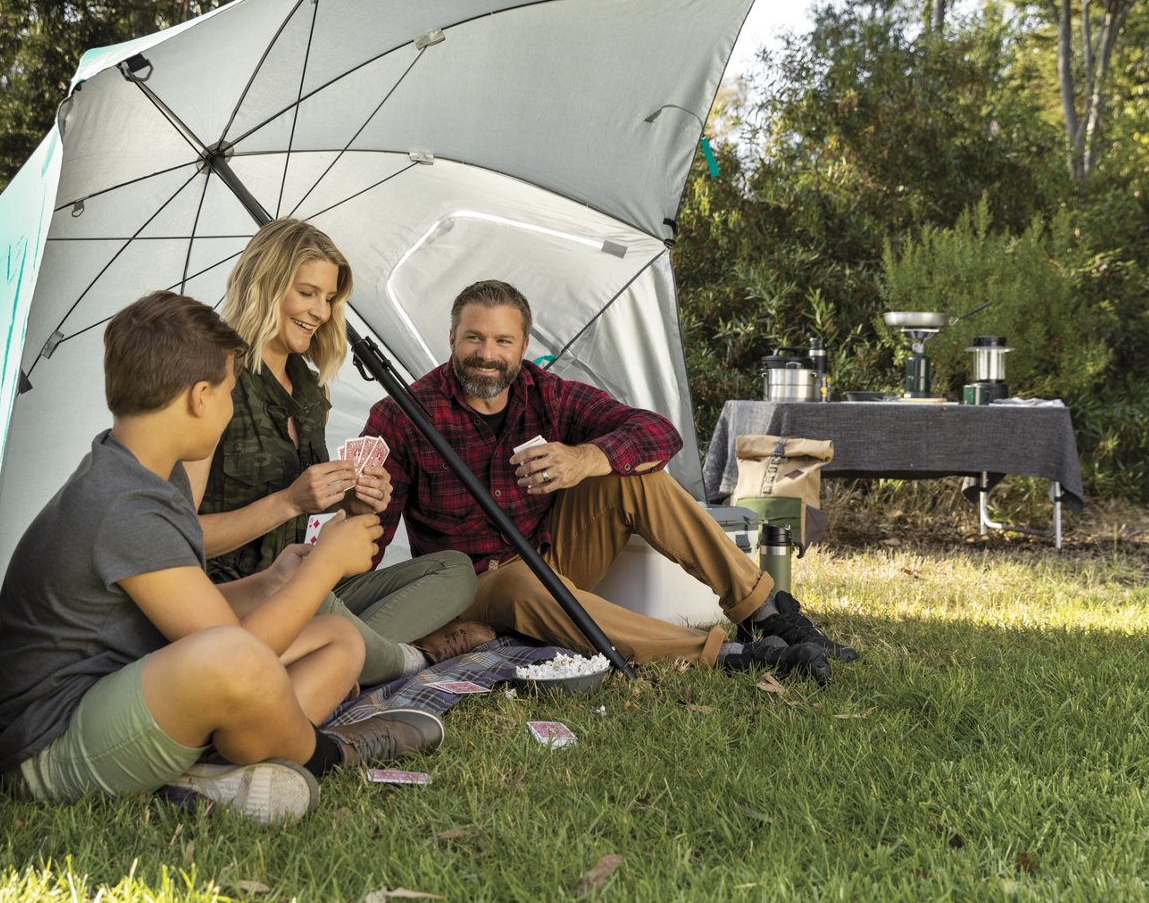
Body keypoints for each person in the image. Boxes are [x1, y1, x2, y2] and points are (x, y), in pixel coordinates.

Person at [0, 291, 444, 826]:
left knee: (338, 639)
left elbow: (188, 614)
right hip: (51, 749)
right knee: (235, 657)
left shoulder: (149, 473)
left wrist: (271, 581)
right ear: (200, 397)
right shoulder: (123, 503)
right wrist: (323, 568)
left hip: (127, 689)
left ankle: (208, 772)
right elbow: (234, 650)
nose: (230, 406)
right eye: (229, 391)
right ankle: (328, 753)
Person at [360, 280, 860, 684]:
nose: (486, 353)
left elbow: (658, 432)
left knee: (634, 476)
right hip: (472, 583)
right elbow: (368, 537)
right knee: (522, 584)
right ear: (451, 339)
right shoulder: (403, 415)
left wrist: (587, 458)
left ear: (523, 347)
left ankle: (763, 611)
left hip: (551, 555)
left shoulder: (547, 394)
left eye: (502, 341)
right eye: (474, 338)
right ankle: (724, 655)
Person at [190, 219, 492, 686]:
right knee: (320, 601)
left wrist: (352, 503)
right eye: (307, 292)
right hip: (237, 592)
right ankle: (401, 659)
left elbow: (312, 518)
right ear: (266, 286)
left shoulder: (313, 390)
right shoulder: (214, 380)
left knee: (454, 570)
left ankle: (332, 654)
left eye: (329, 298)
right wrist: (289, 501)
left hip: (305, 580)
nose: (321, 311)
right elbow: (179, 539)